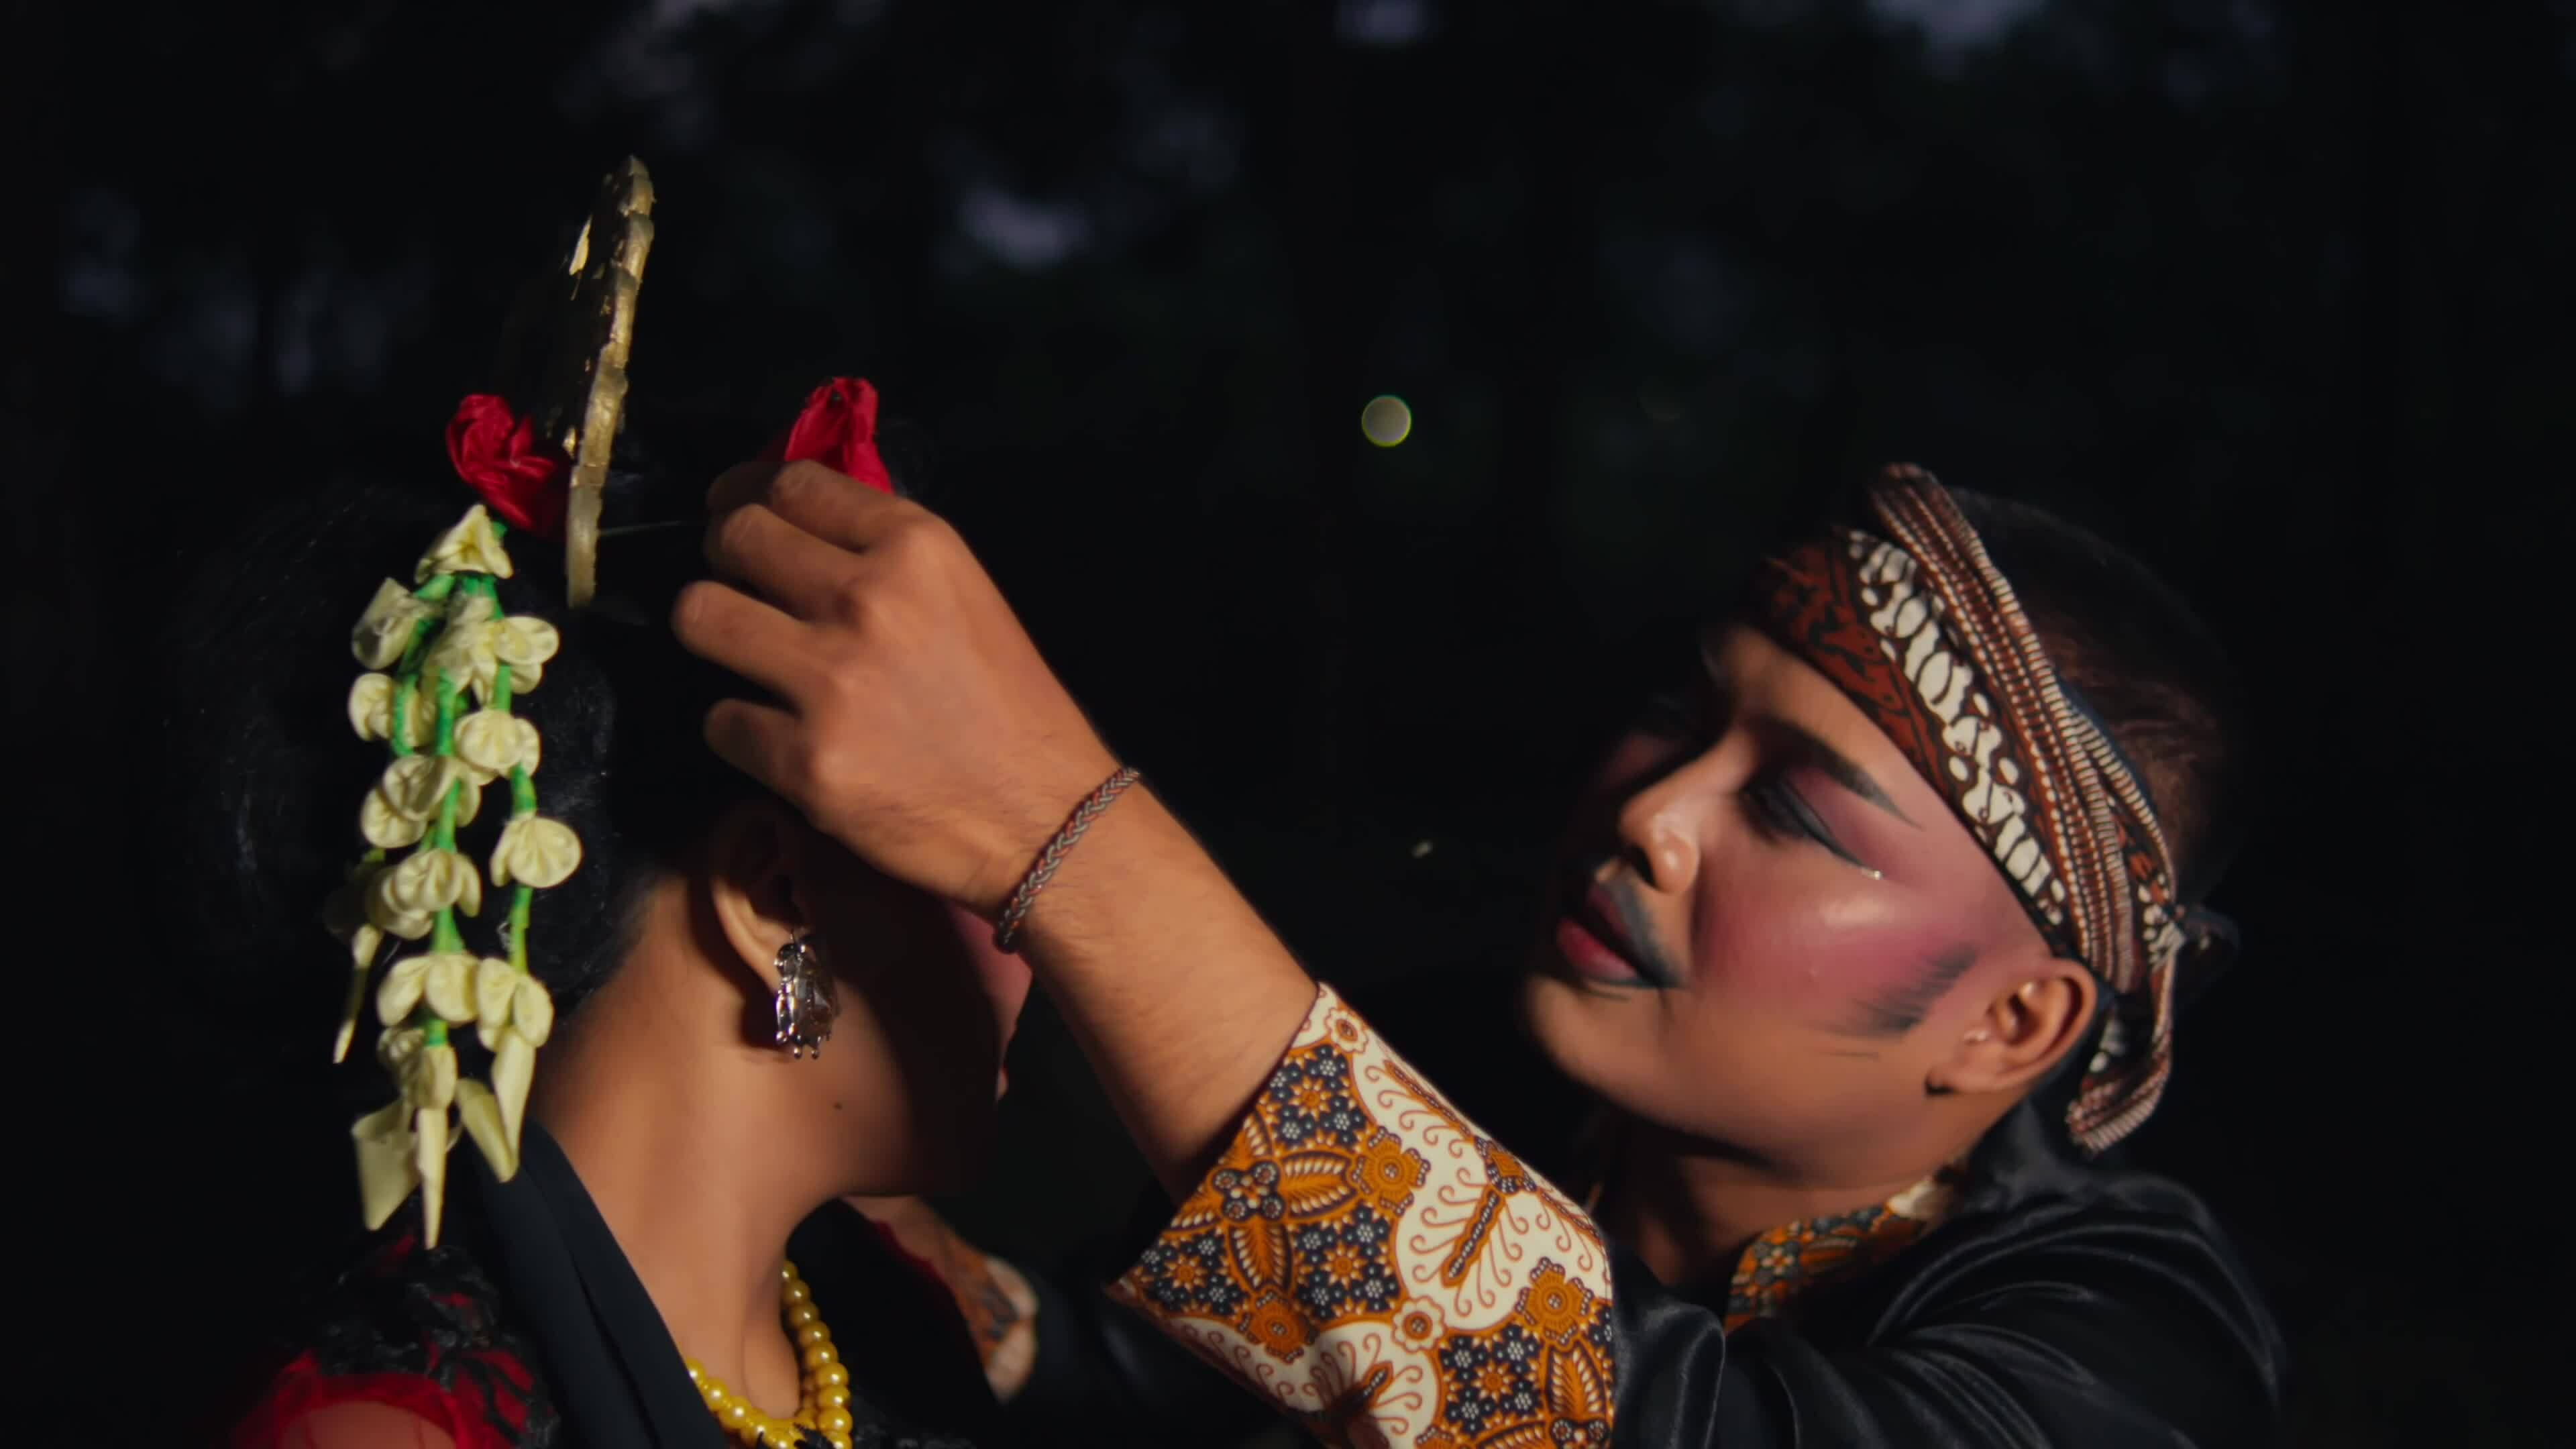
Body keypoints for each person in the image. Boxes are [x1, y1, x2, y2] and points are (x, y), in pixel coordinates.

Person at [673, 459, 2286, 1446]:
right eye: (1682, 711)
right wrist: (778, 1080)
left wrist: (1058, 827)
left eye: (1795, 810)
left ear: (2011, 1022)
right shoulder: (1480, 1067)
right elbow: (1085, 1369)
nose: (1653, 810)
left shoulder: (2132, 1337)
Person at [211, 384, 1027, 1449]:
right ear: (776, 904)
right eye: (976, 852)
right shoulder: (390, 1436)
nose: (1028, 939)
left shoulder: (899, 1320)